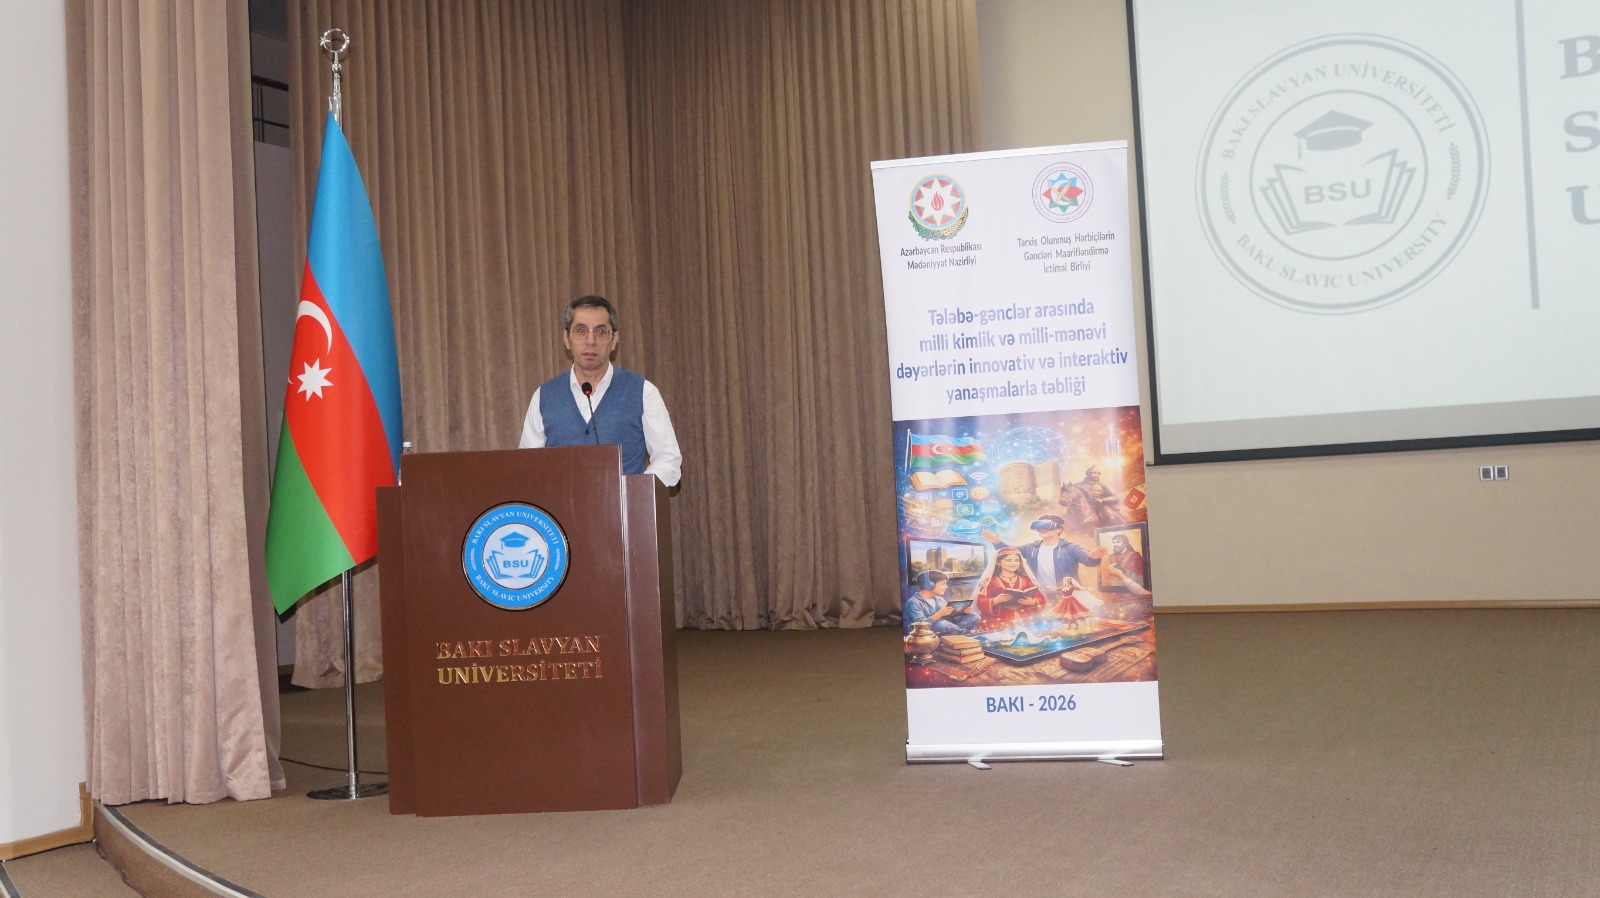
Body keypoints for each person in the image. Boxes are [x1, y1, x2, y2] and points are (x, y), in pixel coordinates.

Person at [519, 295, 682, 486]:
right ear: (566, 339)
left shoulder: (643, 392)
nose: (590, 341)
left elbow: (668, 461)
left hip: (624, 504)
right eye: (581, 331)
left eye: (600, 331)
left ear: (614, 340)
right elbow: (526, 466)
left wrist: (635, 491)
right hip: (559, 504)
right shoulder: (544, 396)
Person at [981, 514, 1107, 601]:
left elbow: (1088, 561)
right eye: (1039, 526)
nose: (1042, 529)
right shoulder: (1031, 547)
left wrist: (1093, 557)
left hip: (1065, 595)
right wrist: (997, 543)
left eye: (1047, 525)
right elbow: (1011, 551)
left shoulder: (1071, 547)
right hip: (1039, 595)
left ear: (1059, 529)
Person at [973, 547, 1047, 627]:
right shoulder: (990, 581)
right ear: (998, 562)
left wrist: (1033, 602)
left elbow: (1040, 597)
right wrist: (995, 600)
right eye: (1008, 560)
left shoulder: (1026, 579)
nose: (1013, 563)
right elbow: (980, 601)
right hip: (999, 620)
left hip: (1026, 617)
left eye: (1016, 560)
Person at [902, 570, 979, 636]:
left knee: (975, 616)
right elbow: (920, 625)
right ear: (929, 585)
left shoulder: (940, 599)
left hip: (945, 627)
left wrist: (963, 612)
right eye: (943, 583)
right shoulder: (914, 602)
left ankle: (954, 632)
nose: (946, 586)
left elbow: (951, 619)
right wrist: (939, 614)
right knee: (942, 624)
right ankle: (965, 633)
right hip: (925, 632)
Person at [1062, 464, 1125, 530]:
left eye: (1095, 473)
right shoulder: (1078, 485)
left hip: (1100, 506)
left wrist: (1102, 500)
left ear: (1098, 474)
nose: (1093, 475)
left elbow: (1116, 497)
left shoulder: (1103, 485)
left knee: (1111, 517)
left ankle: (1116, 532)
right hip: (1082, 507)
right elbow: (1069, 491)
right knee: (1066, 520)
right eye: (1091, 473)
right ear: (1087, 474)